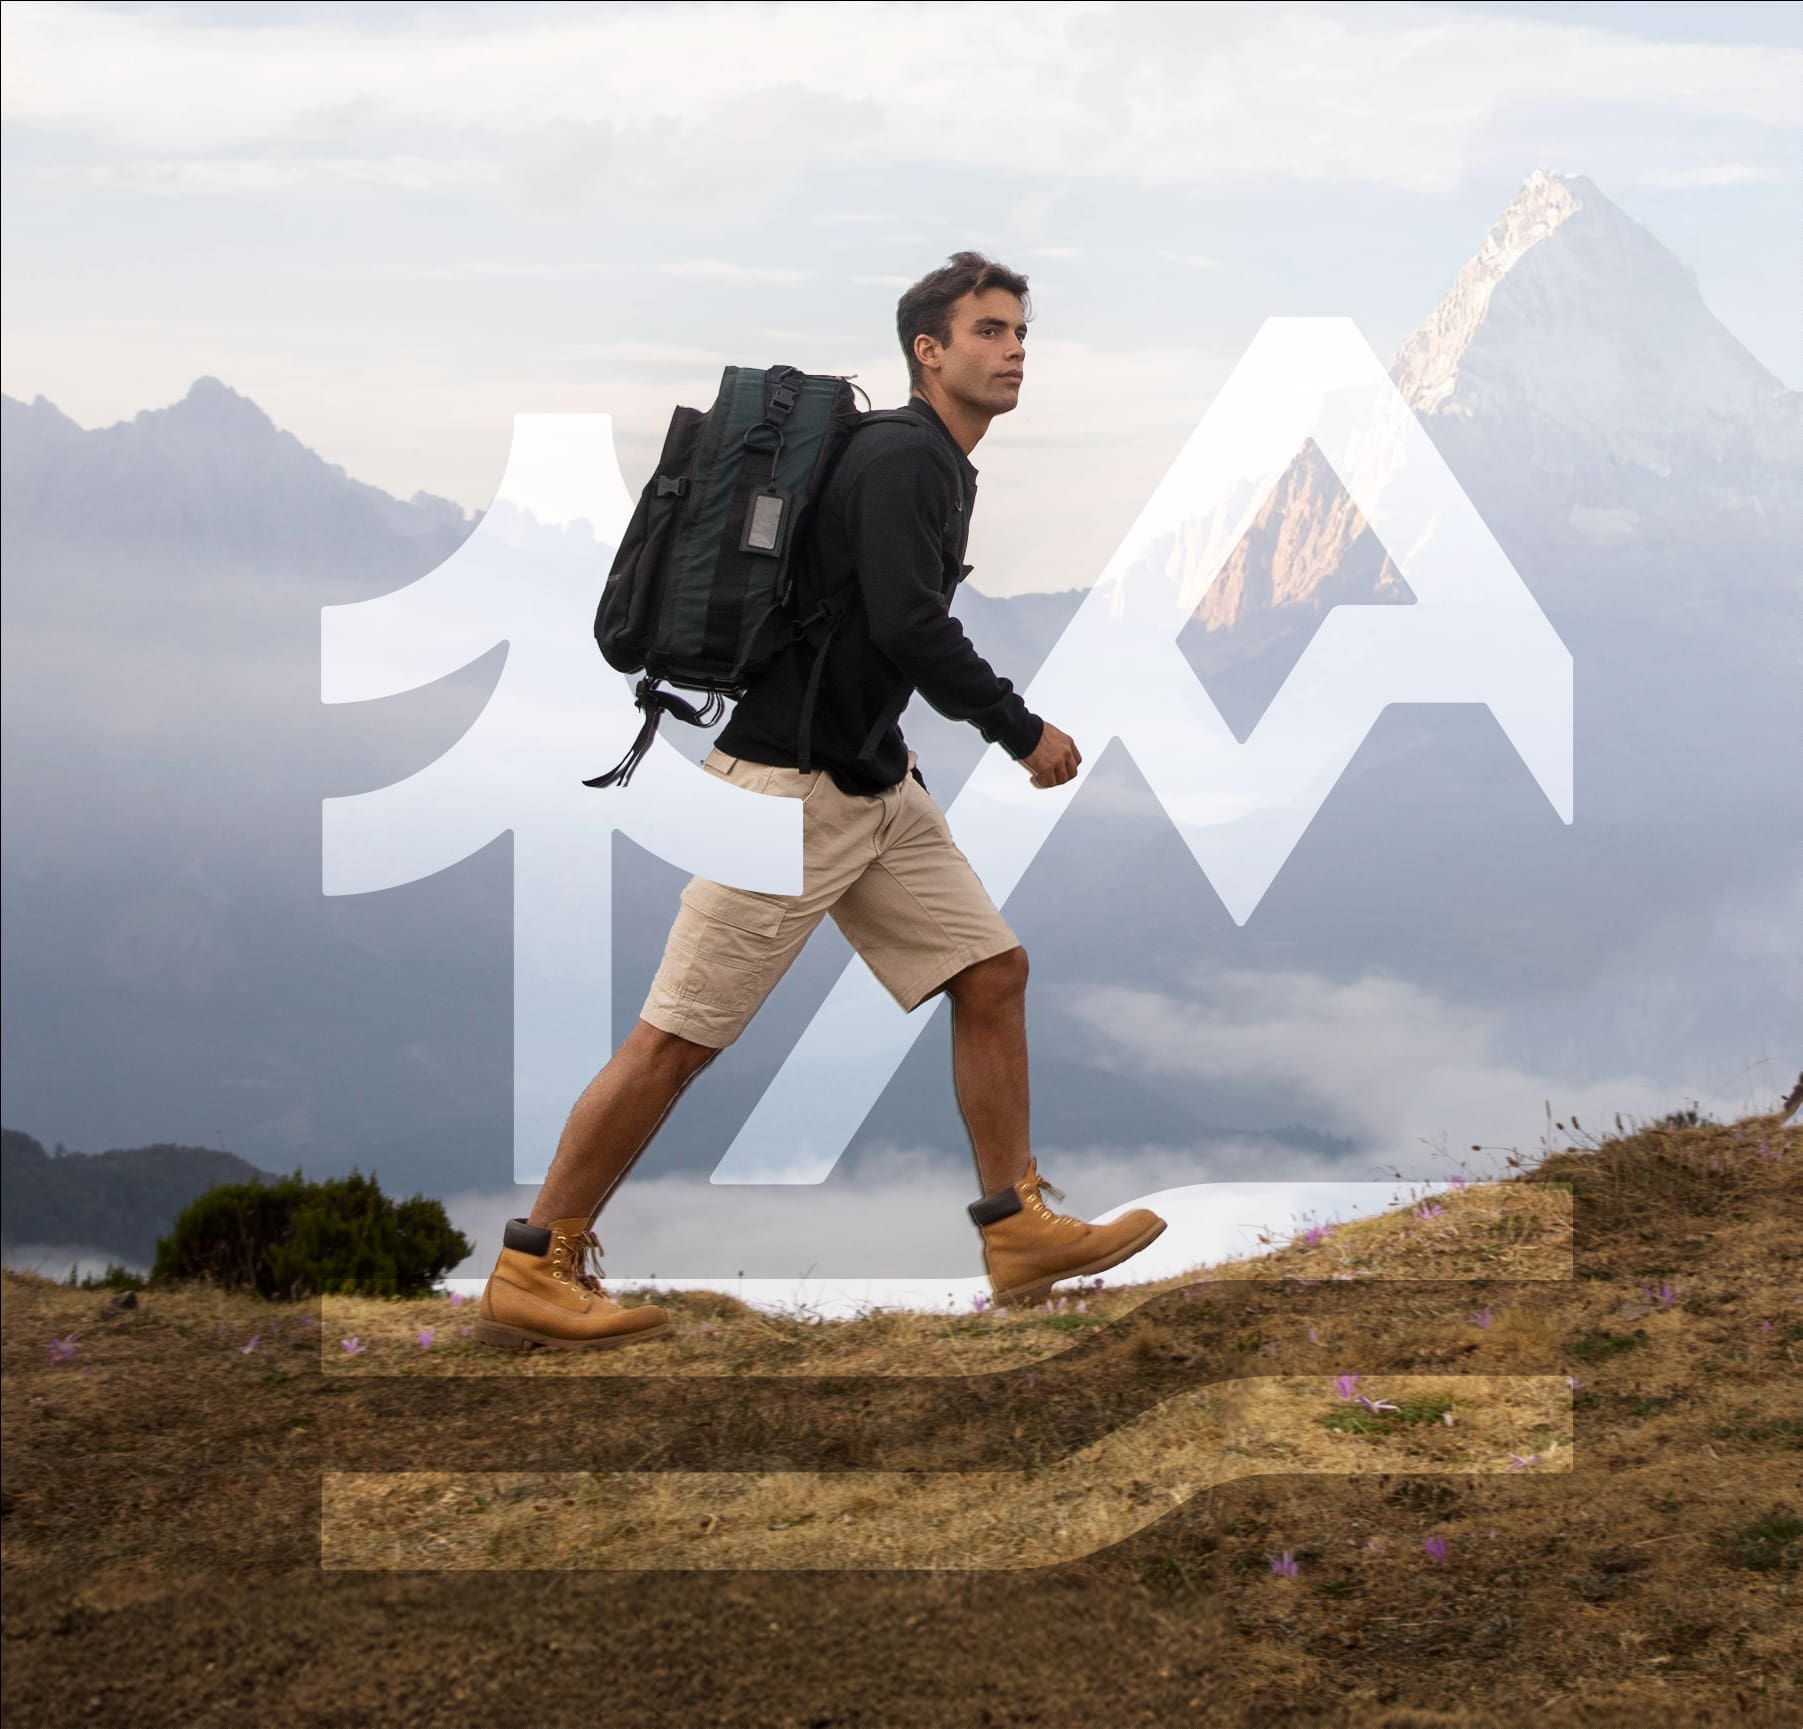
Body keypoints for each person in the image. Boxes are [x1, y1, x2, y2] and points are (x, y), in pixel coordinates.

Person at [473, 252, 1166, 1352]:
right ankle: (535, 1261)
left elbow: (859, 630)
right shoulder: (907, 461)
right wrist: (1020, 729)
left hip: (869, 782)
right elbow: (906, 625)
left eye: (1021, 331)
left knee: (991, 972)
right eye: (989, 331)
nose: (1015, 348)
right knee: (677, 1040)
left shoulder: (932, 460)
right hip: (789, 794)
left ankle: (1017, 1228)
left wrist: (892, 746)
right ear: (927, 351)